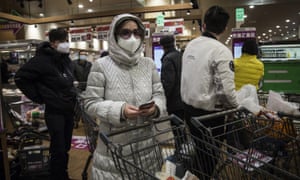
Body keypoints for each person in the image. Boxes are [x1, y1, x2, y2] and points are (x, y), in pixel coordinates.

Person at [83, 13, 167, 180]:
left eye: (136, 33)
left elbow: (159, 94)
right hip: (114, 153)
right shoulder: (101, 65)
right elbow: (91, 103)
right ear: (114, 36)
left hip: (147, 149)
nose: (132, 38)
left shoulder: (148, 64)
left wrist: (155, 107)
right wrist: (119, 110)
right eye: (125, 33)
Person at [181, 6, 238, 179]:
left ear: (203, 25)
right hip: (210, 117)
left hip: (189, 111)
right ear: (224, 28)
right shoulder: (221, 51)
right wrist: (237, 107)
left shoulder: (190, 46)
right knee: (209, 159)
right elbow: (227, 91)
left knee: (199, 153)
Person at [14, 27, 77, 180]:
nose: (66, 44)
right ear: (54, 43)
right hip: (54, 111)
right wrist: (39, 97)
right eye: (63, 41)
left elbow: (66, 81)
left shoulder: (65, 59)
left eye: (67, 40)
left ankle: (63, 172)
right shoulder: (41, 60)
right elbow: (20, 78)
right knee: (58, 148)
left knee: (66, 147)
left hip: (68, 109)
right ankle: (58, 175)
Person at [159, 35, 185, 150]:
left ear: (162, 46)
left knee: (177, 131)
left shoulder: (168, 59)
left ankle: (181, 153)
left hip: (174, 102)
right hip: (183, 99)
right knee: (181, 129)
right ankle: (184, 151)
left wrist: (162, 100)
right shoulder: (180, 56)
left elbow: (168, 83)